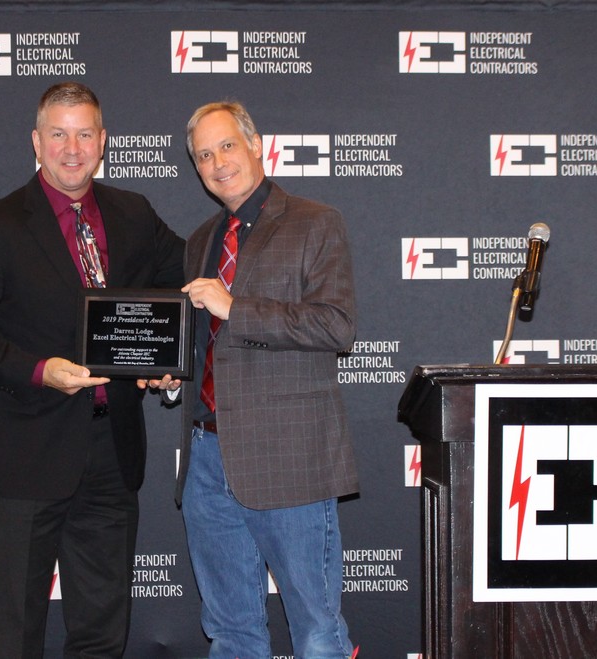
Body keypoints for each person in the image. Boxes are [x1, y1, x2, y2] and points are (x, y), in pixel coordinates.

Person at [0, 81, 184, 658]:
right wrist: (40, 370)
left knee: (102, 631)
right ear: (36, 141)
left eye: (85, 134)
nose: (72, 149)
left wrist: (167, 360)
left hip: (112, 452)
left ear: (103, 141)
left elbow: (184, 284)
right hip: (26, 452)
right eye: (58, 134)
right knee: (17, 629)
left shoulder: (134, 213)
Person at [173, 100, 359, 658]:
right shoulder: (199, 240)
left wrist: (236, 308)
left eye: (227, 146)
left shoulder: (315, 221)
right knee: (230, 632)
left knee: (317, 629)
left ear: (256, 145)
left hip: (288, 457)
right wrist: (171, 375)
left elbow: (336, 325)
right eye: (203, 155)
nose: (217, 163)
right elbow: (205, 345)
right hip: (207, 457)